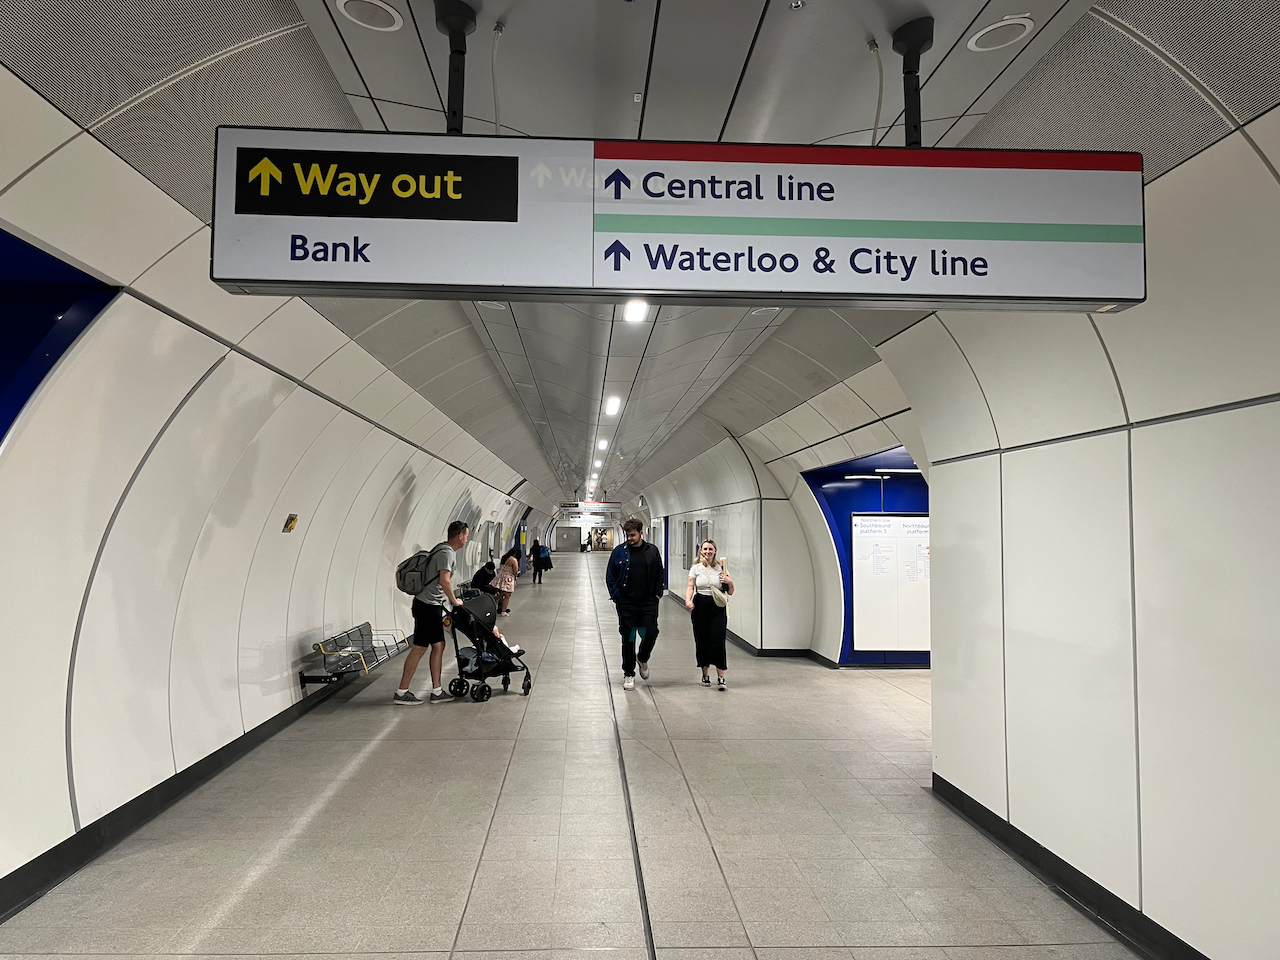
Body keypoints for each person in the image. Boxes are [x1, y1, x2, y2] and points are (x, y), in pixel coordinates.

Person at [394, 520, 468, 705]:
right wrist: (454, 600)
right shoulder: (446, 553)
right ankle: (403, 692)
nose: (467, 539)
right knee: (421, 647)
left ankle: (436, 690)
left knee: (438, 645)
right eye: (466, 535)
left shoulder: (442, 548)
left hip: (428, 605)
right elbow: (445, 581)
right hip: (428, 606)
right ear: (460, 535)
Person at [605, 517, 665, 691]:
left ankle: (643, 657)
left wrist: (657, 594)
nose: (629, 538)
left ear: (641, 533)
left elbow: (659, 572)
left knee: (650, 632)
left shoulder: (652, 551)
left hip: (648, 603)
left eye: (632, 535)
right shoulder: (619, 552)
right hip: (627, 604)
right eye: (627, 535)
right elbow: (611, 576)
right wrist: (617, 596)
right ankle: (629, 673)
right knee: (629, 638)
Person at [685, 539, 734, 690]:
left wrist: (729, 581)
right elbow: (690, 586)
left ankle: (721, 677)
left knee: (718, 640)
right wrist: (688, 600)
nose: (707, 552)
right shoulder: (695, 568)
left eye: (710, 549)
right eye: (705, 549)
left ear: (715, 551)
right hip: (700, 604)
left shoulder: (722, 568)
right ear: (701, 551)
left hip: (717, 606)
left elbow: (730, 591)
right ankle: (705, 673)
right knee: (702, 639)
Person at [495, 546, 520, 616]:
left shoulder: (505, 558)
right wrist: (517, 574)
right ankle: (503, 611)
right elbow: (515, 571)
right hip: (508, 579)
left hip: (502, 578)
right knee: (507, 596)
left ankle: (494, 604)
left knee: (502, 594)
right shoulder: (513, 560)